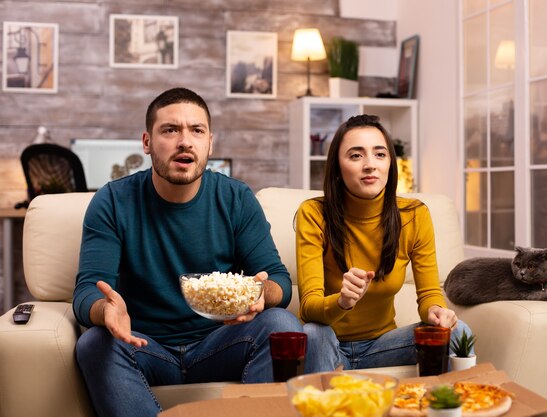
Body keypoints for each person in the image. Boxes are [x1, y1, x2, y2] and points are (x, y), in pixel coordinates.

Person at [73, 87, 302, 417]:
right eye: (170, 130)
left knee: (282, 322)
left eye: (197, 130)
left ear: (210, 142)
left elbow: (279, 280)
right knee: (95, 343)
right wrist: (103, 310)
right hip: (146, 346)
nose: (185, 141)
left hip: (221, 343)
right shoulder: (112, 201)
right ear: (147, 142)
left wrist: (260, 293)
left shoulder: (235, 198)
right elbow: (86, 291)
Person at [295, 114, 472, 373]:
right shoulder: (313, 213)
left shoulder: (414, 215)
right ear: (337, 166)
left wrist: (437, 311)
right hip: (329, 343)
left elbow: (429, 293)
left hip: (384, 346)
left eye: (380, 154)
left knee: (459, 331)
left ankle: (452, 409)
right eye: (356, 156)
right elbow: (309, 308)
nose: (370, 165)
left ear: (390, 162)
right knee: (313, 332)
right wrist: (342, 300)